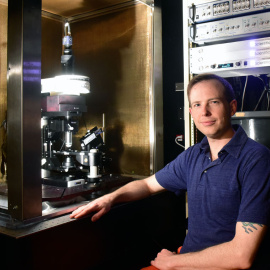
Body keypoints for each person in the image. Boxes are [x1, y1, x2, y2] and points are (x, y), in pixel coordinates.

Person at [70, 73, 270, 270]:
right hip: (187, 261)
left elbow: (241, 256)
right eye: (197, 105)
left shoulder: (257, 160)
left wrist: (173, 262)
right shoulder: (193, 155)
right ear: (191, 113)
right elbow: (148, 185)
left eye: (214, 102)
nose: (205, 112)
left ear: (232, 107)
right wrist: (110, 198)